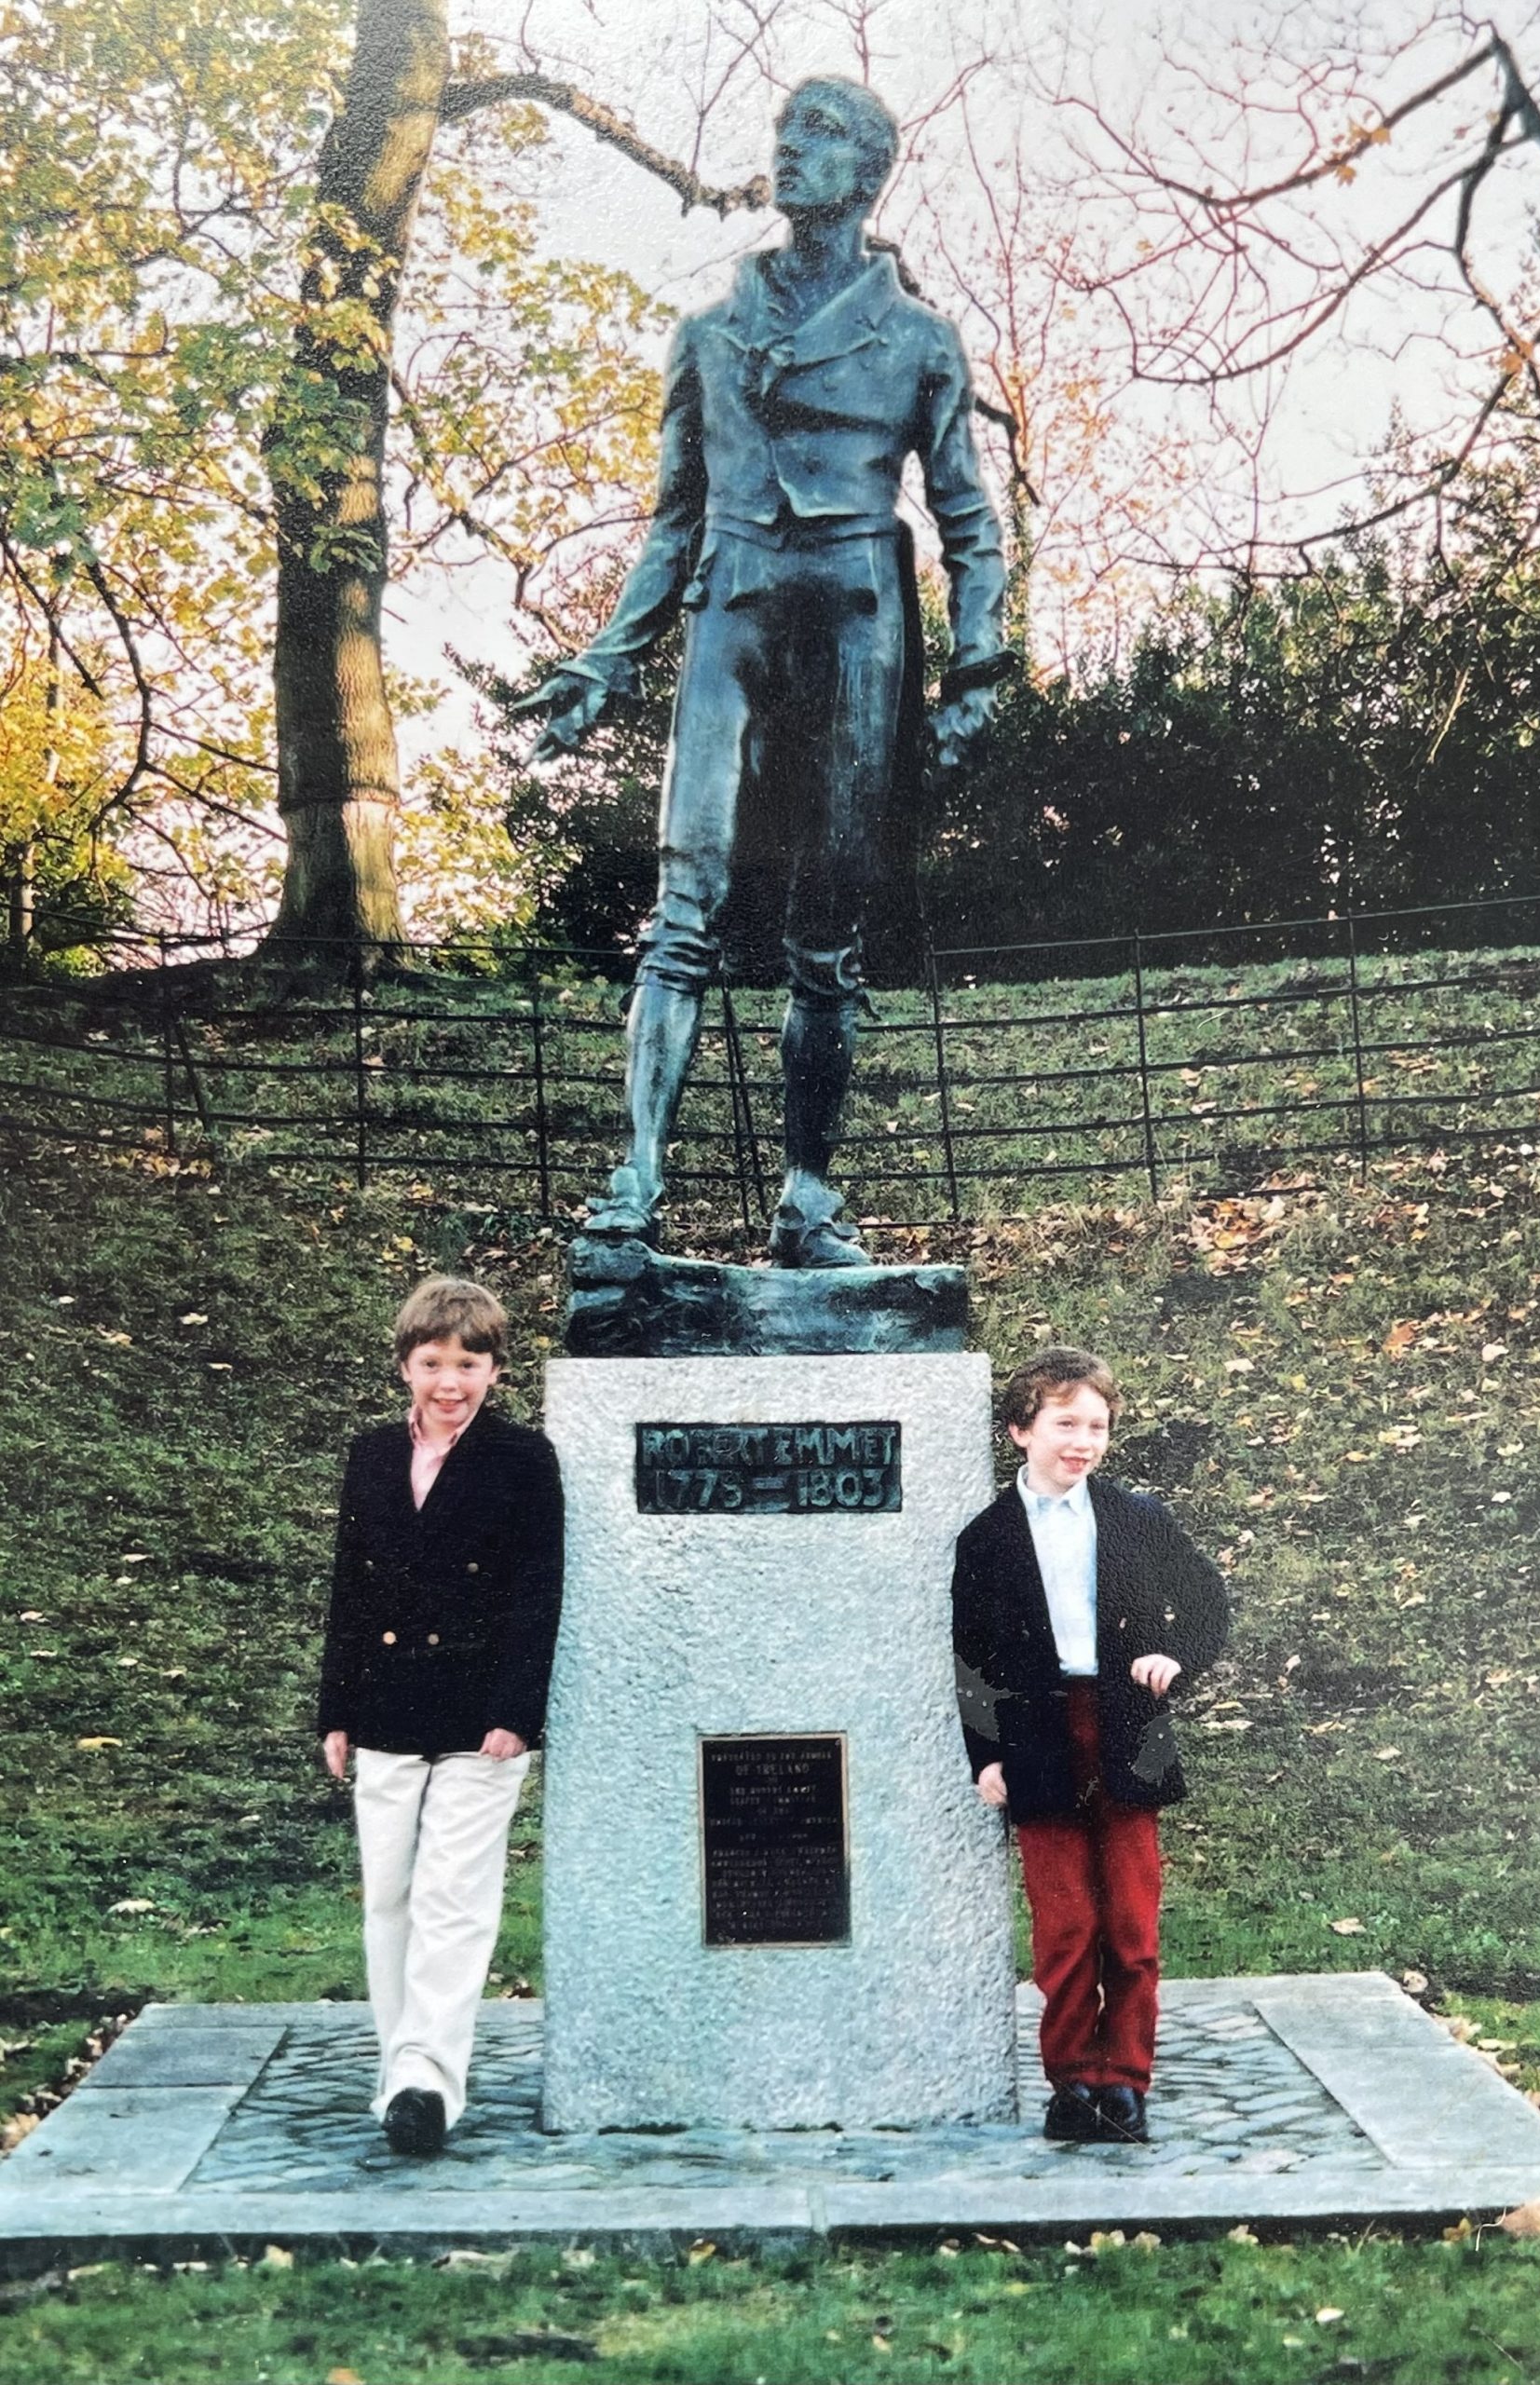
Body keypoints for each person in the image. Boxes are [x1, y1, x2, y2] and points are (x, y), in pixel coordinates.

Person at [522, 75, 1010, 1268]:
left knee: (825, 935)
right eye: (784, 136)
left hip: (858, 625)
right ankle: (635, 1181)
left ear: (869, 171)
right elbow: (670, 522)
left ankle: (807, 1199)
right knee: (681, 910)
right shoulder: (707, 334)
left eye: (820, 138)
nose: (789, 154)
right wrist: (606, 661)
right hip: (730, 618)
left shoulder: (919, 341)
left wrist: (979, 670)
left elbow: (970, 520)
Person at [951, 1346, 1228, 2144]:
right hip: (1039, 1739)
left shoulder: (1137, 1518)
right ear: (1019, 1430)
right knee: (1067, 1928)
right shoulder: (988, 1538)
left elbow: (1207, 1600)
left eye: (1097, 1426)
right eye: (1064, 1423)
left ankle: (1125, 2083)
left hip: (1126, 1731)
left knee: (1132, 1927)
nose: (1083, 1441)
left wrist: (1180, 1659)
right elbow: (971, 1656)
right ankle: (1072, 2082)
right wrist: (987, 1755)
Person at [318, 1277, 564, 2159]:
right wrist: (336, 1709)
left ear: (496, 1370)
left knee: (453, 1899)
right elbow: (353, 1589)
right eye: (433, 1364)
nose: (449, 1382)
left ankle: (430, 2080)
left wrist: (517, 1713)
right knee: (388, 1896)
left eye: (469, 1364)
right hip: (384, 1706)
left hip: (478, 1716)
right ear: (404, 1367)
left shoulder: (524, 1460)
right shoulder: (373, 1456)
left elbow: (539, 1595)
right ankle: (399, 2074)